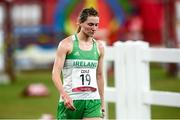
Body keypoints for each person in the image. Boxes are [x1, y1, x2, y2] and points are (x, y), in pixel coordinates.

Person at [52, 7, 105, 119]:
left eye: (96, 25)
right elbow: (55, 73)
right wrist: (64, 95)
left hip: (92, 101)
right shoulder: (66, 44)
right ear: (80, 22)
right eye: (90, 24)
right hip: (71, 100)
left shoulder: (99, 47)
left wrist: (102, 101)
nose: (94, 28)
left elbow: (99, 76)